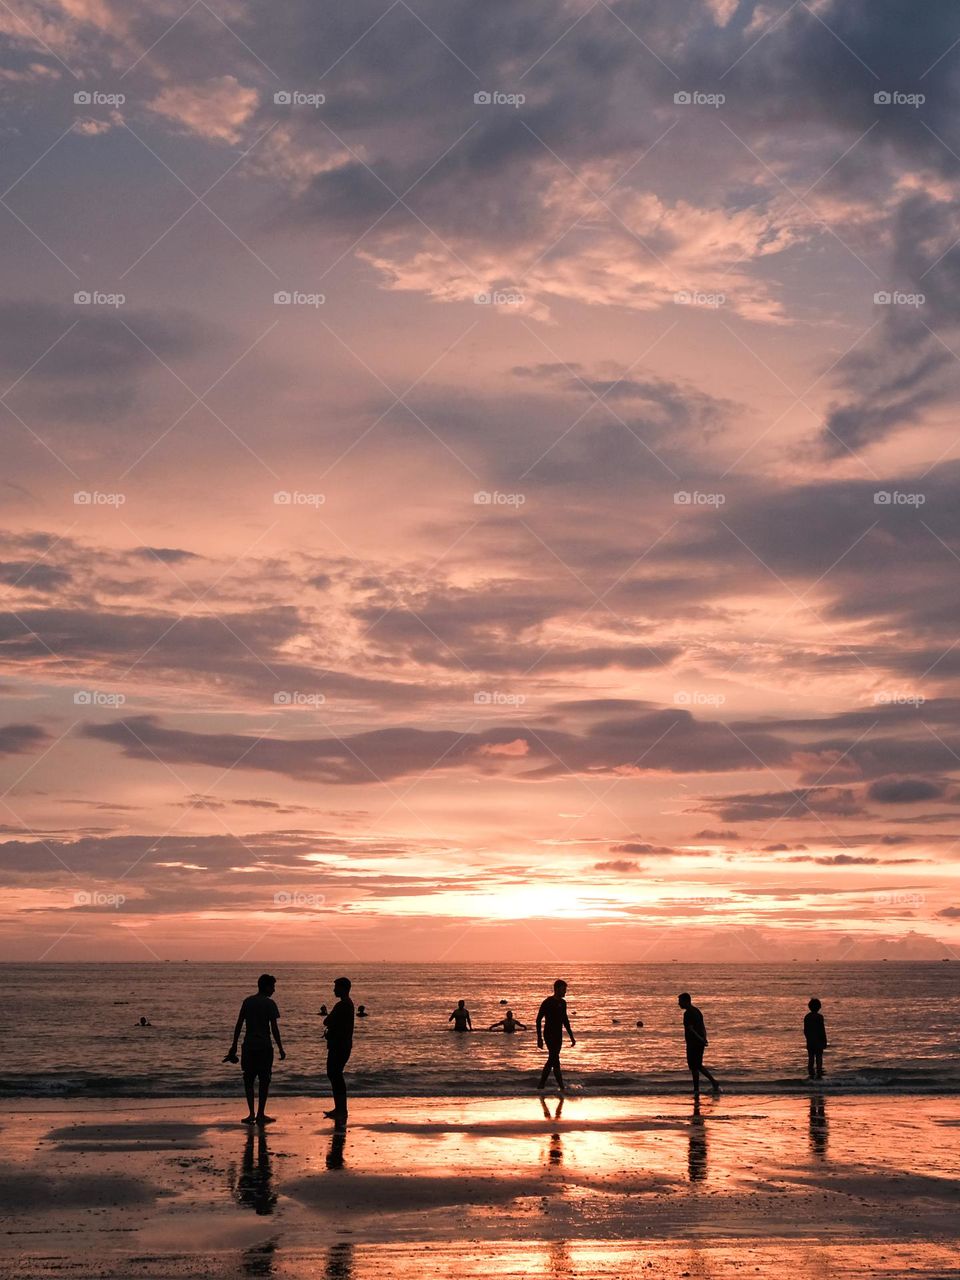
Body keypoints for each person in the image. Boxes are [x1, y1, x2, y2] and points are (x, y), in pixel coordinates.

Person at [224, 973, 285, 1125]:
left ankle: (251, 1113)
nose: (274, 990)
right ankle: (260, 1114)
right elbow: (274, 1029)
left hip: (249, 1046)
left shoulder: (247, 1002)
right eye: (273, 986)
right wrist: (281, 1048)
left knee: (249, 1080)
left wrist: (234, 1045)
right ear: (266, 986)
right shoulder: (270, 1004)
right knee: (264, 1080)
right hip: (264, 1046)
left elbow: (239, 1025)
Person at [323, 976, 355, 1123]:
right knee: (335, 1075)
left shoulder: (342, 1005)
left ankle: (341, 1109)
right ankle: (340, 1108)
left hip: (339, 1045)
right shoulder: (347, 1004)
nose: (334, 990)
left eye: (336, 987)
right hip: (343, 1045)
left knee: (334, 1075)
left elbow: (327, 1020)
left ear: (343, 988)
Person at [678, 992, 719, 1097]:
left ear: (686, 1001)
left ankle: (697, 1089)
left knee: (694, 1067)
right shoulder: (697, 1011)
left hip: (693, 1043)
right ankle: (712, 1082)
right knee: (698, 1065)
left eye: (680, 1001)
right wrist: (704, 1038)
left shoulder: (688, 1014)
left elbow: (691, 1030)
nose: (678, 1004)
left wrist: (701, 1039)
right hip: (699, 1042)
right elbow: (703, 1027)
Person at [537, 979, 575, 1091]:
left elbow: (565, 1020)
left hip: (559, 1035)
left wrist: (571, 1036)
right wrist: (539, 1038)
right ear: (557, 989)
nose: (565, 992)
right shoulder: (547, 1002)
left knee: (554, 1059)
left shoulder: (563, 1003)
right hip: (549, 1034)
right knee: (554, 1058)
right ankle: (559, 1086)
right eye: (564, 989)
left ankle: (545, 1085)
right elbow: (538, 1020)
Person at [804, 997, 828, 1079]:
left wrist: (808, 1039)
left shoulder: (807, 1017)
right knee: (819, 1059)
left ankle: (811, 1075)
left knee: (811, 1059)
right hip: (818, 1041)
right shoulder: (819, 1017)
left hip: (810, 1041)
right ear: (819, 1007)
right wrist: (825, 1041)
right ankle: (819, 1075)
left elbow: (805, 1031)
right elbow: (822, 1030)